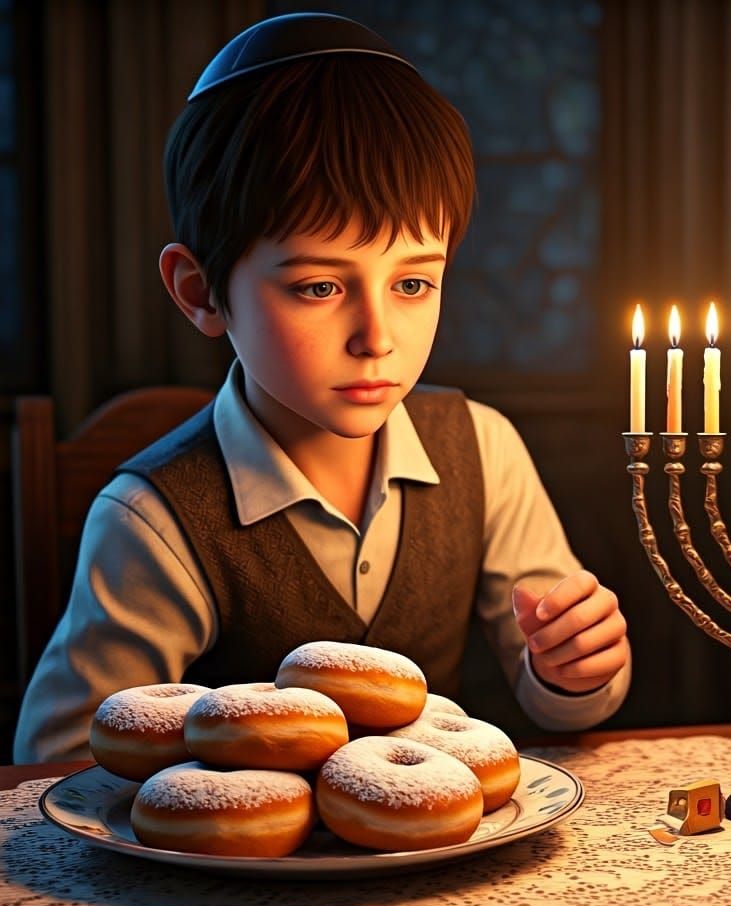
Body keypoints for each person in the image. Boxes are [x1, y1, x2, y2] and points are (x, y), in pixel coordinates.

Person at [14, 12, 630, 764]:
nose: (377, 336)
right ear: (200, 291)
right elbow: (56, 766)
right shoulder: (153, 521)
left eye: (412, 283)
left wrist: (571, 668)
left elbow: (561, 696)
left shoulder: (483, 450)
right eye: (318, 287)